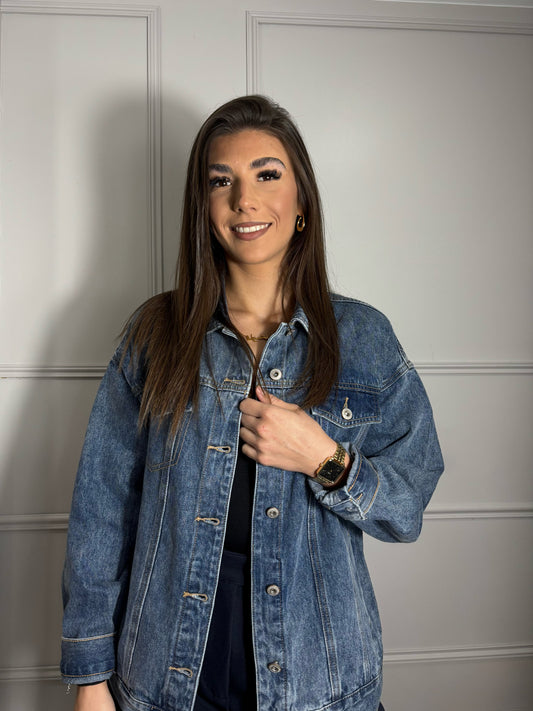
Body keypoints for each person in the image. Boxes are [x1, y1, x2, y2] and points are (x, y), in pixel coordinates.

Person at [61, 95, 444, 711]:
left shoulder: (364, 340)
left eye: (267, 174)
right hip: (168, 676)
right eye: (222, 181)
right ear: (204, 207)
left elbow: (407, 508)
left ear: (301, 203)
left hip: (318, 682)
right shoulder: (156, 333)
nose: (244, 199)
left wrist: (325, 459)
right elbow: (102, 511)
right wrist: (89, 677)